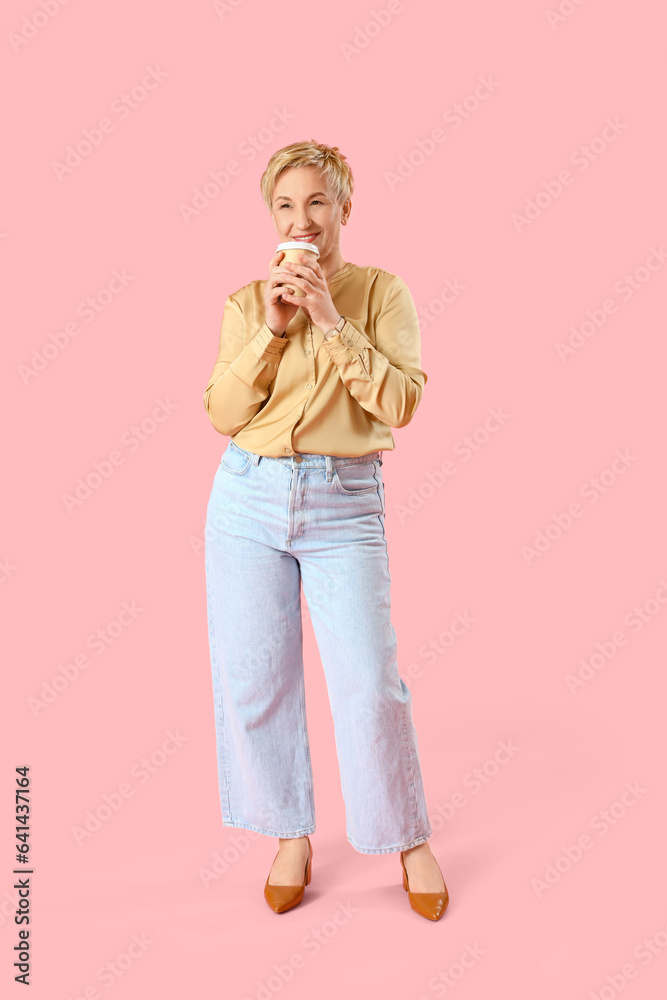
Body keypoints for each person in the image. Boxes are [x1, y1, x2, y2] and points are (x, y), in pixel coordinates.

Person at [203, 140, 449, 921]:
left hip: (343, 502)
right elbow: (223, 413)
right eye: (285, 205)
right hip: (247, 498)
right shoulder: (247, 299)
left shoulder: (380, 292)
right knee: (254, 677)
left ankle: (406, 839)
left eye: (316, 202)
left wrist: (327, 319)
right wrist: (273, 329)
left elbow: (399, 402)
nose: (301, 220)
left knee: (369, 683)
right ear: (269, 215)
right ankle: (288, 834)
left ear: (345, 206)